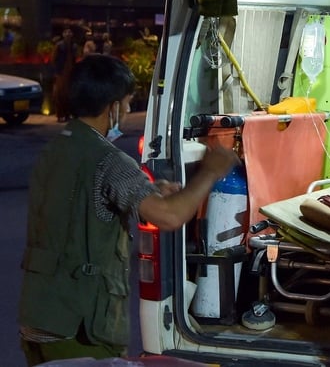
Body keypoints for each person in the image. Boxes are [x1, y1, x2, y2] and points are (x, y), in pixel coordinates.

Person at [18, 54, 240, 366]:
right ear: (112, 108)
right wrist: (211, 171)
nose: (124, 112)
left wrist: (151, 190)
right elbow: (170, 216)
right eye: (124, 104)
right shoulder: (109, 159)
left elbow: (80, 203)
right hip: (78, 330)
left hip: (38, 317)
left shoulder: (56, 149)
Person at [52, 28, 79, 122]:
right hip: (61, 72)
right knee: (60, 94)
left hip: (70, 72)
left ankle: (68, 114)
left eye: (70, 32)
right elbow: (54, 59)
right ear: (63, 34)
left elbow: (75, 58)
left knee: (69, 94)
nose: (68, 34)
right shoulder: (59, 45)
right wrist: (57, 71)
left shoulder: (74, 46)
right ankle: (60, 115)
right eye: (66, 32)